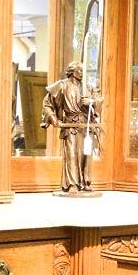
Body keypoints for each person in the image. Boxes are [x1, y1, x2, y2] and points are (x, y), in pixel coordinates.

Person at [41, 61, 100, 193]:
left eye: (83, 70)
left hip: (86, 125)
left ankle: (86, 182)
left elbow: (99, 100)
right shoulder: (62, 85)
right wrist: (53, 118)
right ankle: (72, 184)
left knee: (87, 154)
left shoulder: (88, 88)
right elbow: (47, 103)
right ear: (72, 71)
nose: (82, 73)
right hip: (71, 126)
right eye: (80, 70)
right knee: (72, 154)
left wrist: (92, 102)